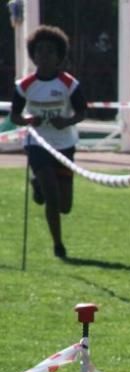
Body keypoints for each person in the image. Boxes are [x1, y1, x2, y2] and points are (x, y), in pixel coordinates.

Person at [10, 25, 86, 259]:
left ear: (59, 57)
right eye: (40, 52)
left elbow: (81, 112)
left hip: (64, 145)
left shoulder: (69, 84)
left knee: (64, 205)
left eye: (50, 52)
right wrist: (27, 119)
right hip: (37, 144)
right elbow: (14, 116)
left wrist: (67, 121)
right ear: (33, 55)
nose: (44, 57)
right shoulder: (24, 85)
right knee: (52, 197)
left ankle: (37, 185)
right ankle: (58, 245)